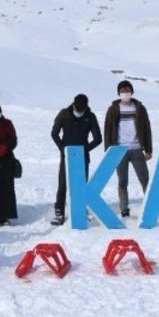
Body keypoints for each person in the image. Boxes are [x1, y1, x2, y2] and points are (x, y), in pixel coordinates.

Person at [103, 80, 153, 218]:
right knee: (122, 181)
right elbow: (107, 130)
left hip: (137, 148)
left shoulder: (140, 108)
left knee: (145, 179)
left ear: (132, 92)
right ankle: (124, 209)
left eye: (127, 90)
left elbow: (147, 129)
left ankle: (150, 204)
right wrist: (109, 151)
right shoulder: (113, 109)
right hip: (119, 150)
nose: (125, 93)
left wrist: (148, 149)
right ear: (119, 93)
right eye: (123, 91)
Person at [50, 94, 102, 225]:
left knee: (81, 185)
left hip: (82, 156)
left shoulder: (90, 116)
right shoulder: (64, 114)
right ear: (73, 104)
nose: (79, 111)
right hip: (67, 155)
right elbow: (54, 133)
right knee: (63, 184)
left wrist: (85, 149)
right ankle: (59, 211)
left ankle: (80, 210)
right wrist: (63, 148)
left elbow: (98, 138)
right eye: (77, 108)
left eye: (82, 109)